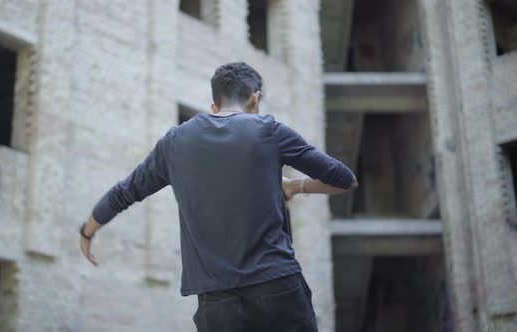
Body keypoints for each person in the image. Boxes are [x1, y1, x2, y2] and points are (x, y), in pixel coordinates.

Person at [79, 62, 358, 332]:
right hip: (278, 288)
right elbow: (344, 180)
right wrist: (296, 186)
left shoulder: (174, 142)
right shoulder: (269, 130)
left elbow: (124, 193)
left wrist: (87, 232)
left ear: (214, 106)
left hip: (216, 304)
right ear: (255, 99)